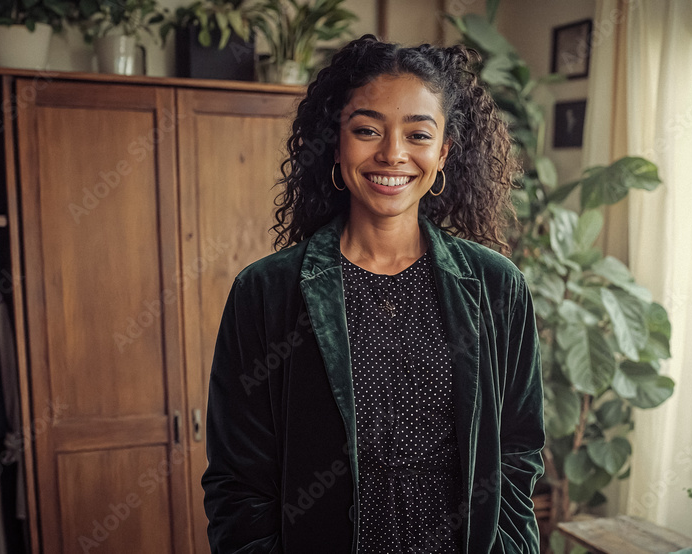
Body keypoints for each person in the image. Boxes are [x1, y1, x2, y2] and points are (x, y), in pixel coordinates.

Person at [202, 34, 544, 554]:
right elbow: (238, 477)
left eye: (418, 135)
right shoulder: (267, 292)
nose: (393, 154)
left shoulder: (497, 286)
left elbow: (518, 452)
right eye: (367, 130)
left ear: (443, 151)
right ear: (335, 143)